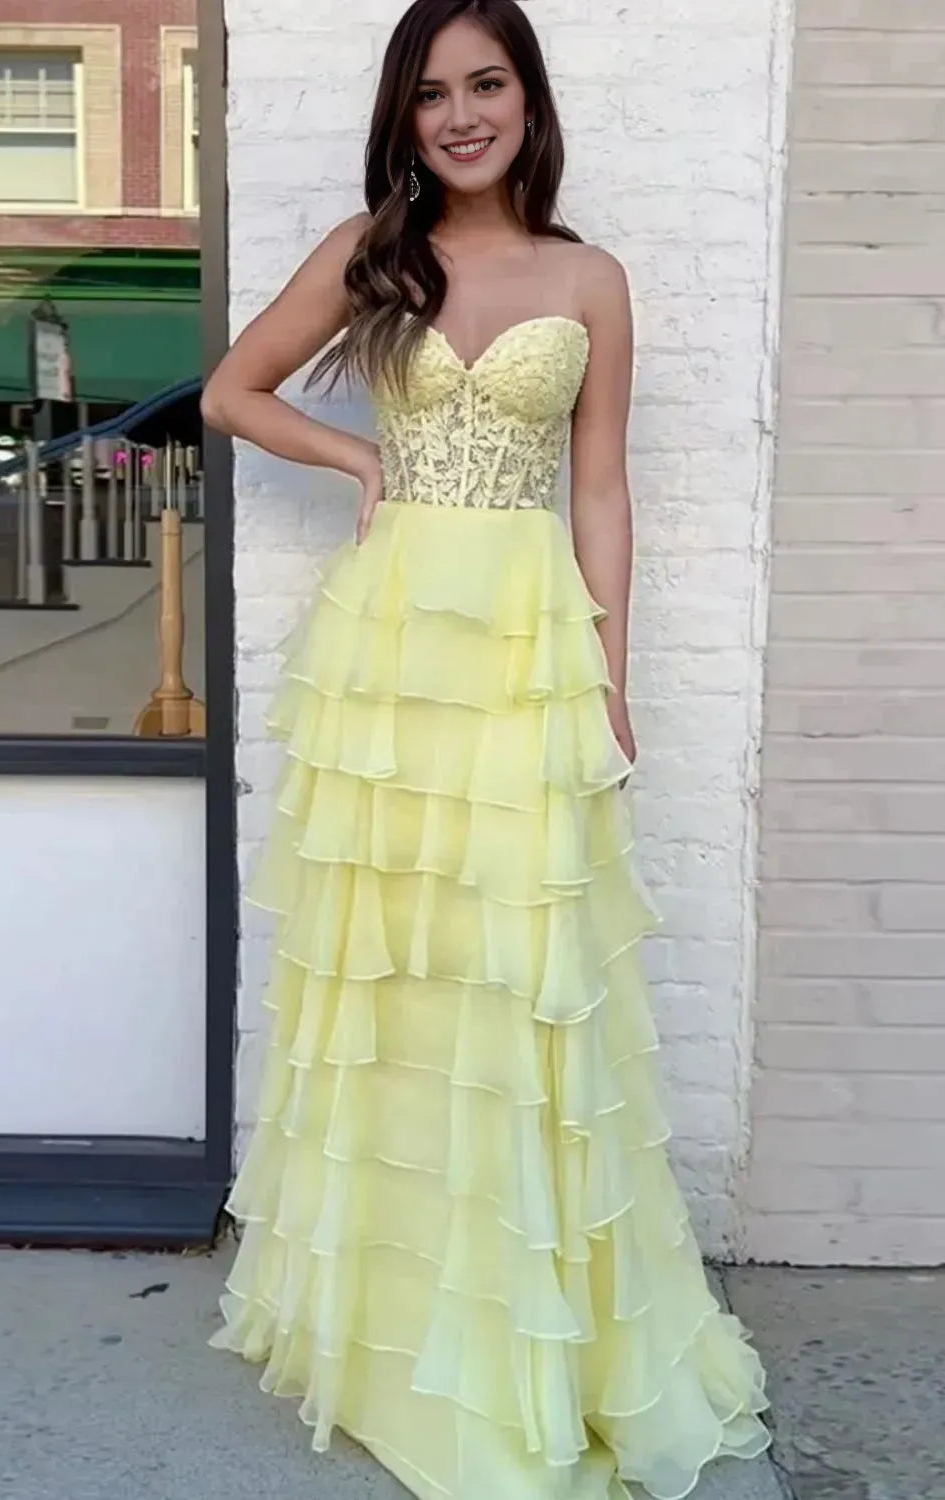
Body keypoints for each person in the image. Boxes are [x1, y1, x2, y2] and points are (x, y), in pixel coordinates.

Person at [202, 2, 771, 1495]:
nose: (462, 114)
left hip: (522, 644)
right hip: (394, 650)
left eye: (488, 83)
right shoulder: (370, 252)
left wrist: (609, 678)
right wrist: (356, 454)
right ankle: (403, 1329)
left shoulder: (589, 278)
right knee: (400, 971)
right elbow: (230, 391)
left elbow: (602, 491)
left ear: (528, 100)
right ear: (405, 114)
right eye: (433, 92)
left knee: (517, 973)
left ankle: (521, 1322)